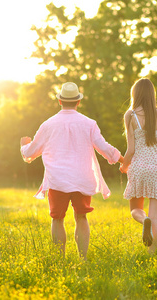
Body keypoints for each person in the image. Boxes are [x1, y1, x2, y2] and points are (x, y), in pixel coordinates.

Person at [20, 82, 123, 260]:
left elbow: (31, 153)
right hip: (82, 178)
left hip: (57, 180)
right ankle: (82, 260)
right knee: (81, 218)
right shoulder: (89, 124)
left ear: (60, 101)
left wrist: (24, 146)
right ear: (78, 102)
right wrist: (123, 160)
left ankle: (60, 261)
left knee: (57, 219)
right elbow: (103, 147)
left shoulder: (48, 125)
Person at [119, 78, 157, 254]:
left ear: (135, 94)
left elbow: (131, 149)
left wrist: (124, 166)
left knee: (136, 209)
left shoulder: (130, 115)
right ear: (152, 94)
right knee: (156, 217)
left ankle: (144, 221)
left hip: (139, 168)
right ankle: (152, 254)